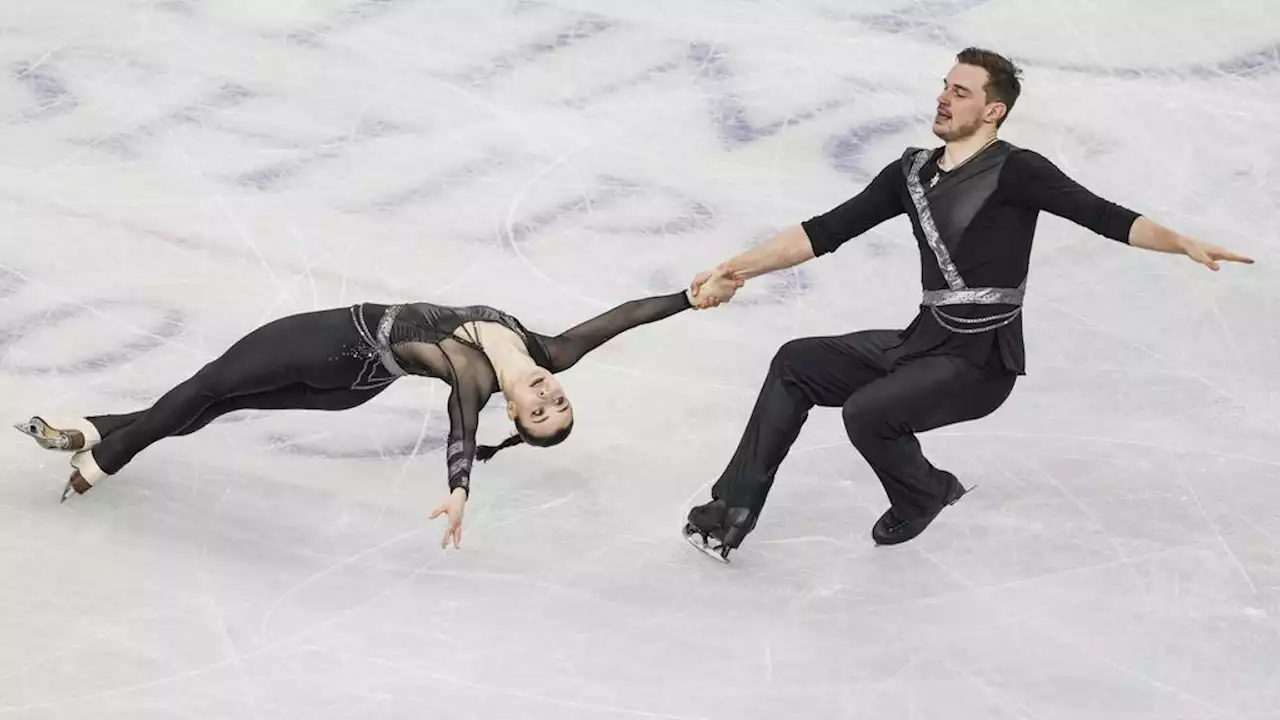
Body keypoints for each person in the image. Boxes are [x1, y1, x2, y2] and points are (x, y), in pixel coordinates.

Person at [681, 47, 1255, 562]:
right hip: (922, 343)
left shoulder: (1017, 169)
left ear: (992, 111)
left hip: (979, 363)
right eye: (945, 86)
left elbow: (1104, 215)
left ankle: (924, 491)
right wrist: (734, 268)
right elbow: (820, 232)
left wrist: (1179, 241)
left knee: (868, 412)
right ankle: (730, 511)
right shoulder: (909, 174)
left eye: (961, 91)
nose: (943, 97)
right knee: (795, 363)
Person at [16, 276, 740, 548]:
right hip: (360, 380)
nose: (549, 397)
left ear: (513, 416)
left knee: (209, 388)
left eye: (539, 414)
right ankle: (99, 429)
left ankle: (104, 457)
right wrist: (690, 297)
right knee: (212, 403)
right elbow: (623, 317)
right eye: (557, 404)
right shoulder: (552, 351)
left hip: (331, 349)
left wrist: (459, 493)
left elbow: (459, 432)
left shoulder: (472, 374)